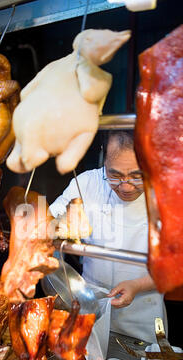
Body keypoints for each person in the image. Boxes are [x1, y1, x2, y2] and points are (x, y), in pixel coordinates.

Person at [49, 130, 167, 344]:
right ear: (104, 157)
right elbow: (50, 219)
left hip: (142, 316)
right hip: (89, 307)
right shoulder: (86, 184)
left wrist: (137, 285)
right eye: (114, 175)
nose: (125, 186)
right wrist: (55, 227)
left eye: (136, 176)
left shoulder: (167, 193)